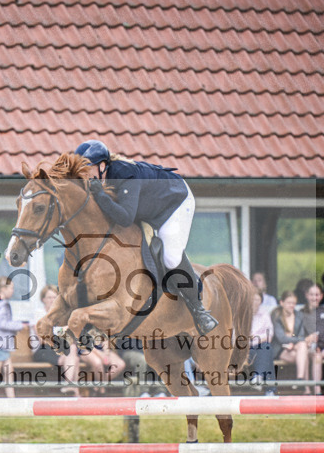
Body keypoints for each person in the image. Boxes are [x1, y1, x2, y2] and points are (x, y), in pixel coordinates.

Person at [73, 139, 218, 335]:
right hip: (147, 208)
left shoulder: (125, 175)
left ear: (102, 166)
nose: (83, 175)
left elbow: (125, 218)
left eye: (86, 168)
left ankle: (199, 309)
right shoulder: (99, 179)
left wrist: (100, 195)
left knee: (171, 256)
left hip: (174, 203)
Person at [0, 276, 26, 398]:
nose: (13, 291)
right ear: (3, 289)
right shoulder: (0, 305)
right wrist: (19, 325)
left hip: (1, 343)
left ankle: (10, 399)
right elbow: (2, 324)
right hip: (0, 343)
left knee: (8, 372)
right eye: (11, 288)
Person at [270, 290, 311, 393]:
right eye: (289, 303)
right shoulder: (276, 316)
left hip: (296, 349)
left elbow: (301, 335)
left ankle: (301, 380)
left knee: (303, 349)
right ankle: (305, 388)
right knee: (303, 349)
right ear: (282, 303)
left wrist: (297, 342)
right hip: (281, 349)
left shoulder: (299, 315)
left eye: (293, 303)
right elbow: (282, 339)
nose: (291, 305)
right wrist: (300, 341)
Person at [248, 289, 276, 395]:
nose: (254, 302)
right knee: (266, 352)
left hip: (260, 347)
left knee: (266, 348)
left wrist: (255, 338)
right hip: (246, 350)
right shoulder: (242, 314)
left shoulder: (264, 314)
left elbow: (270, 334)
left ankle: (258, 377)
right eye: (252, 299)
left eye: (257, 299)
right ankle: (270, 390)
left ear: (261, 301)